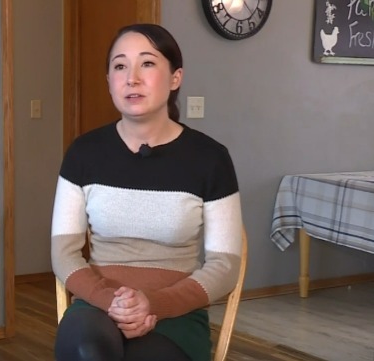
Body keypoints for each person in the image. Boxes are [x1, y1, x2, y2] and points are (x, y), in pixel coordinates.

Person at [51, 23, 243, 361]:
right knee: (86, 350)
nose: (132, 78)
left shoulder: (210, 158)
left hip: (177, 312)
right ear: (109, 79)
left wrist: (154, 304)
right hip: (97, 304)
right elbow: (63, 252)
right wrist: (112, 301)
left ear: (175, 78)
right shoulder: (84, 153)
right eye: (120, 65)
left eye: (148, 63)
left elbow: (224, 264)